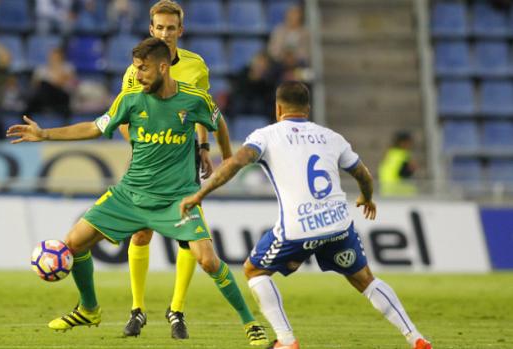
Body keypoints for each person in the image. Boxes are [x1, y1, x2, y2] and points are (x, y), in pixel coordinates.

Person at [6, 38, 268, 346]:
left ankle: (250, 323)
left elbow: (218, 122)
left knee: (209, 261)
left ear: (162, 66)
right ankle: (89, 309)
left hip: (176, 200)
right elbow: (94, 127)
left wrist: (224, 155)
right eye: (134, 68)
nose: (137, 75)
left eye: (142, 69)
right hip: (130, 195)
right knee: (73, 243)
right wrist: (45, 134)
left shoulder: (194, 100)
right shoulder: (129, 100)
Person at [180, 81, 433, 349]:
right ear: (308, 109)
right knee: (366, 280)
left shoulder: (266, 136)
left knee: (254, 271)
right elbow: (363, 174)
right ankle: (415, 337)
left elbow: (235, 164)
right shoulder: (331, 136)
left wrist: (199, 195)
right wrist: (366, 198)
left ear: (278, 108)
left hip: (299, 227)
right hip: (338, 224)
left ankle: (286, 341)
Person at [118, 0, 232, 340]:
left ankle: (176, 310)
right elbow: (124, 118)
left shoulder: (196, 66)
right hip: (149, 165)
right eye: (160, 28)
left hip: (183, 166)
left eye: (171, 28)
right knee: (140, 233)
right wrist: (142, 147)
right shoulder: (134, 70)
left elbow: (200, 110)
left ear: (180, 31)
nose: (165, 33)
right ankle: (137, 310)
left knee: (186, 238)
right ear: (151, 29)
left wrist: (204, 147)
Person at [378, 131, 418, 197]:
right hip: (400, 193)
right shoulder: (403, 156)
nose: (410, 145)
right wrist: (412, 168)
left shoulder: (389, 154)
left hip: (386, 192)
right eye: (409, 142)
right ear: (402, 143)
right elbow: (404, 173)